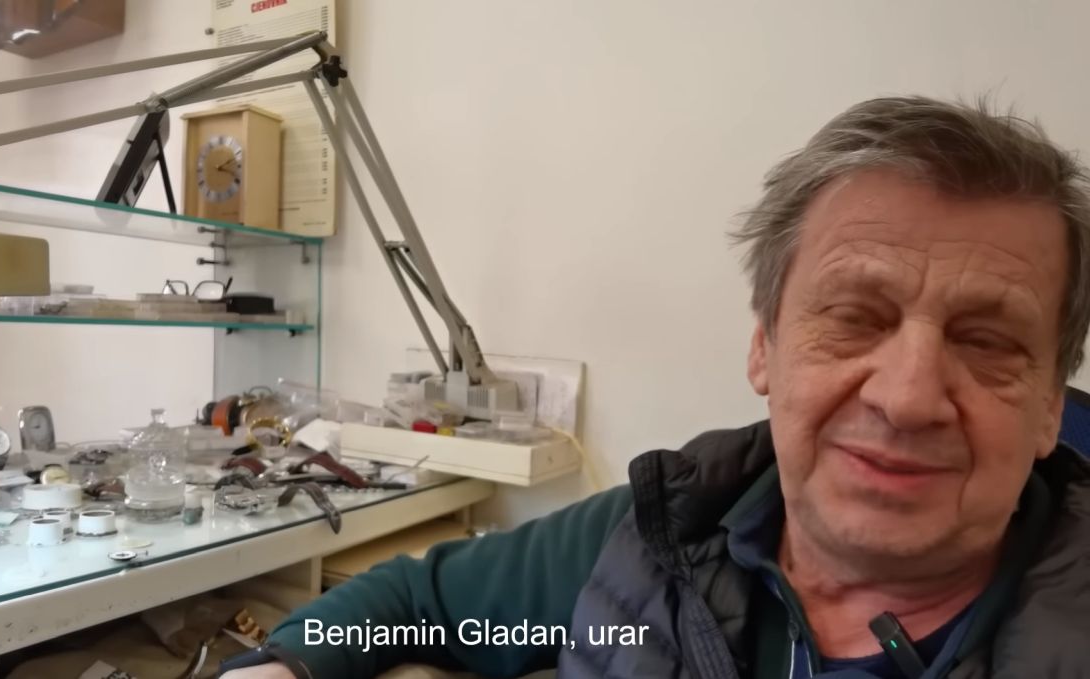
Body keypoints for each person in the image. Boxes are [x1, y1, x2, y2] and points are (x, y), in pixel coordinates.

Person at [221, 96, 1090, 678]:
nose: (906, 398)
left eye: (987, 341)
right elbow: (415, 605)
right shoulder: (659, 532)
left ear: (1052, 402)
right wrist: (284, 665)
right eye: (857, 317)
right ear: (764, 346)